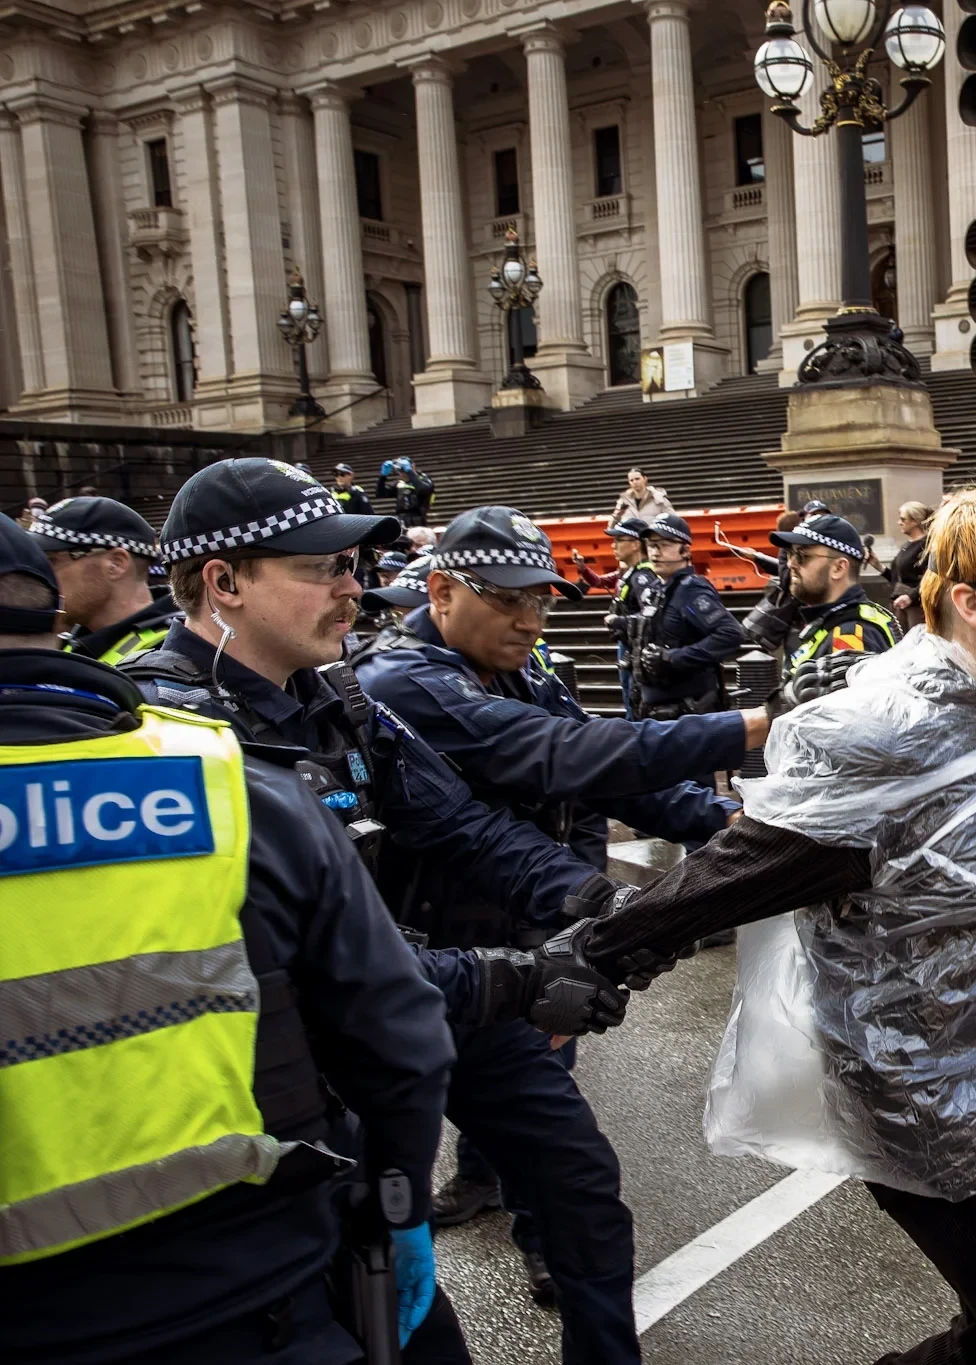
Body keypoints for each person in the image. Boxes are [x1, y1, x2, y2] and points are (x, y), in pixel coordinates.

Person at [554, 486, 976, 1364]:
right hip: (951, 1106)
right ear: (971, 603)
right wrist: (592, 955)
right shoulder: (885, 731)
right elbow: (744, 865)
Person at [0, 517, 620, 1364]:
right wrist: (393, 1192)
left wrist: (588, 901)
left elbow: (463, 825)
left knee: (577, 1187)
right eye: (322, 567)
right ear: (224, 582)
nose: (352, 587)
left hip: (280, 1156)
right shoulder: (192, 751)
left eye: (354, 566)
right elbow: (366, 1002)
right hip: (287, 1136)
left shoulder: (332, 700)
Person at [353, 507, 754, 1316]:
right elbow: (558, 756)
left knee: (572, 1181)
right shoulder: (400, 680)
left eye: (541, 598)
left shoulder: (529, 674)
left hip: (519, 963)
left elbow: (611, 781)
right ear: (439, 590)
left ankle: (549, 1255)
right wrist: (751, 727)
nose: (531, 618)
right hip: (422, 970)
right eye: (508, 599)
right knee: (382, 1199)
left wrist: (735, 826)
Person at [27, 495, 181, 665]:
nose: (40, 575)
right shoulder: (72, 643)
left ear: (116, 564)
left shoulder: (172, 652)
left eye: (51, 561)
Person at [634, 511, 745, 720]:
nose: (655, 552)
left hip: (688, 716)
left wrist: (674, 658)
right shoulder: (657, 589)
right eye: (651, 545)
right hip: (655, 712)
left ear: (685, 550)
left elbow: (731, 634)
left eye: (663, 545)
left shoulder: (691, 589)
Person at [775, 511, 901, 675]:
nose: (791, 563)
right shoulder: (837, 621)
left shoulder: (849, 635)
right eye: (790, 553)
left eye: (802, 555)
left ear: (839, 568)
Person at [573, 516, 665, 719]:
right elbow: (599, 581)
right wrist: (583, 569)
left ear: (634, 545)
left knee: (635, 703)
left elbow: (653, 615)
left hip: (637, 650)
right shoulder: (629, 572)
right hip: (628, 647)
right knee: (630, 700)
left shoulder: (643, 576)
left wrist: (618, 621)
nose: (613, 545)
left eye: (618, 540)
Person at [888, 500, 934, 630]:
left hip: (916, 609)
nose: (899, 522)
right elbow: (896, 579)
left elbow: (932, 578)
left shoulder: (926, 545)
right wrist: (877, 565)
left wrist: (910, 596)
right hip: (901, 606)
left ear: (915, 521)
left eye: (903, 519)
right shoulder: (907, 545)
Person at [377, 456, 435, 529]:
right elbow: (380, 494)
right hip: (401, 518)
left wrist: (409, 471)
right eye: (399, 470)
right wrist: (383, 477)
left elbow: (423, 490)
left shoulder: (423, 479)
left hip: (418, 517)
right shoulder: (399, 483)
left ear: (413, 466)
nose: (402, 473)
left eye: (403, 469)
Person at [610, 466, 674, 524]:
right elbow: (612, 526)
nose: (634, 482)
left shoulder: (659, 498)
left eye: (637, 479)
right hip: (632, 536)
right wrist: (617, 515)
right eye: (631, 480)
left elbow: (674, 520)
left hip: (653, 536)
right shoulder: (624, 501)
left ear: (645, 479)